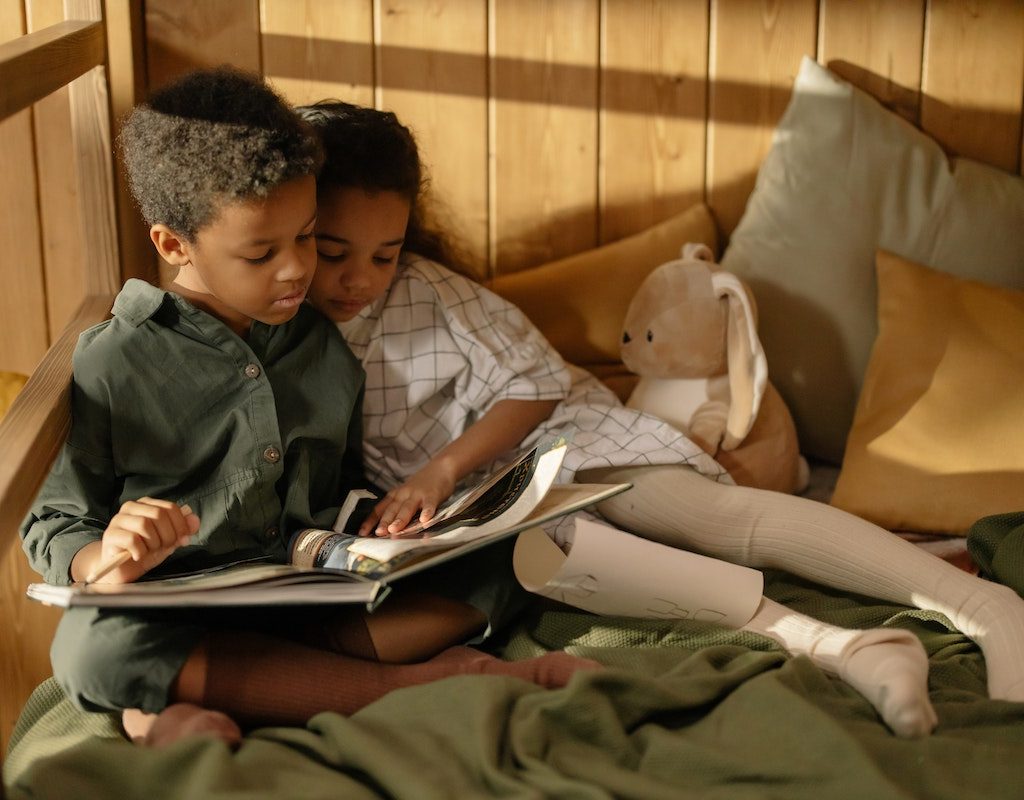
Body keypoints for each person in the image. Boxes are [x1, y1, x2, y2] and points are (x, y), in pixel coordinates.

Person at [300, 99, 1024, 739]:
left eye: (385, 254)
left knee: (713, 519)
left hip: (562, 441)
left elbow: (538, 386)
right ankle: (851, 651)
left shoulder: (427, 293)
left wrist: (441, 469)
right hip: (490, 515)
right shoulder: (287, 327)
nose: (360, 278)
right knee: (619, 573)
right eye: (333, 254)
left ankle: (981, 604)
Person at [19, 68, 596, 750]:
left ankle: (184, 705)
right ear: (174, 245)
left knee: (510, 557)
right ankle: (418, 684)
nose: (296, 270)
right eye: (263, 252)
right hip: (179, 607)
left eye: (306, 238)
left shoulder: (321, 343)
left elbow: (341, 481)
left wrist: (392, 530)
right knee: (91, 649)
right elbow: (54, 524)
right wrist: (103, 557)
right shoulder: (113, 361)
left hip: (310, 596)